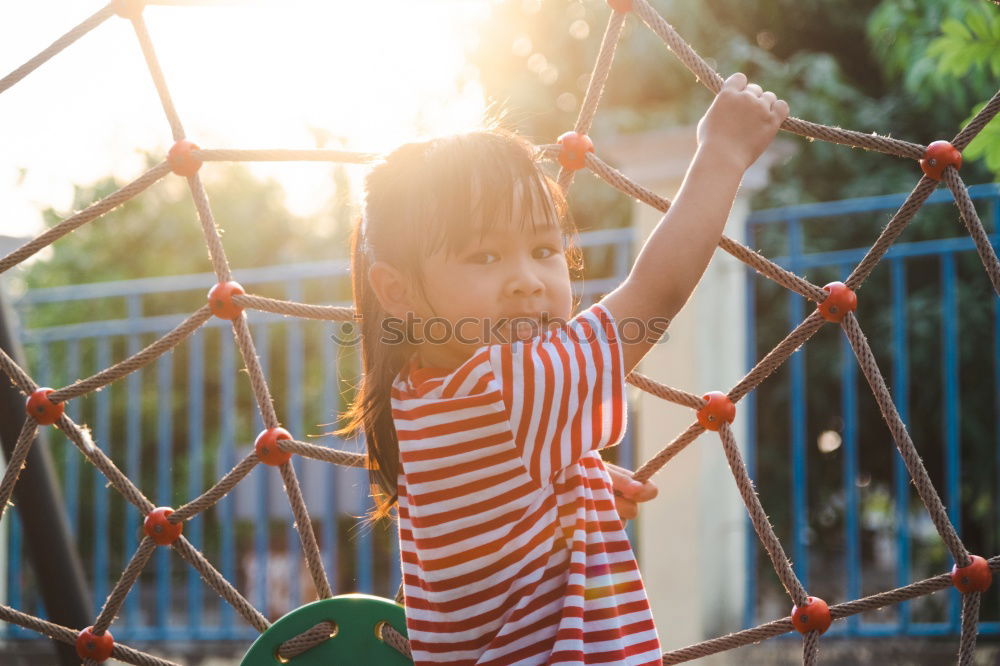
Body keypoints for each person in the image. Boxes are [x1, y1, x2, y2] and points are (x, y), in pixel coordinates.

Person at [341, 72, 789, 665]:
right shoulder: (506, 385)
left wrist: (576, 485)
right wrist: (723, 154)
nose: (528, 279)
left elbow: (497, 506)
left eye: (545, 250)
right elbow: (656, 292)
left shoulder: (416, 392)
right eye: (485, 255)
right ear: (397, 290)